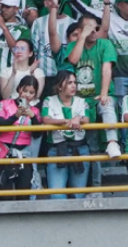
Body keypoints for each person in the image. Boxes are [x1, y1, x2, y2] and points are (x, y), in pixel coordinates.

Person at [64, 15, 121, 159]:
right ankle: (95, 181)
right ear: (80, 30)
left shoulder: (105, 44)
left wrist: (103, 93)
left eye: (97, 28)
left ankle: (112, 142)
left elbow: (107, 69)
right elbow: (73, 60)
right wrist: (82, 37)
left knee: (106, 105)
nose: (95, 32)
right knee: (92, 145)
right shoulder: (73, 45)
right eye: (91, 29)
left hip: (101, 94)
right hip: (81, 99)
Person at [41, 70, 89, 199]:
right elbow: (45, 119)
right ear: (59, 86)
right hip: (57, 150)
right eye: (69, 83)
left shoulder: (81, 101)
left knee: (78, 196)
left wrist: (78, 118)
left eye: (75, 83)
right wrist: (64, 121)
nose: (73, 86)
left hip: (79, 150)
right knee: (57, 196)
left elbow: (87, 119)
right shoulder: (49, 100)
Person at [0, 76, 42, 200]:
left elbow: (38, 134)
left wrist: (33, 118)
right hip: (4, 154)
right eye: (25, 91)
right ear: (19, 89)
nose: (27, 95)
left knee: (24, 196)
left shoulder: (35, 111)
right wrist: (15, 116)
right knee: (5, 197)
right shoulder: (4, 104)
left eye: (31, 93)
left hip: (24, 155)